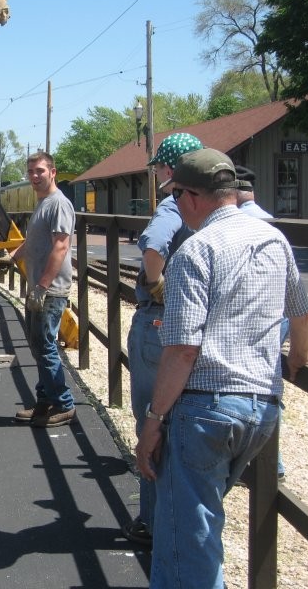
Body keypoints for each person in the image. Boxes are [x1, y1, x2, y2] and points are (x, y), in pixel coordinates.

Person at [135, 148, 308, 589]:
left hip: (205, 411)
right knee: (203, 520)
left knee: (187, 541)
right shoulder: (274, 241)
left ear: (192, 195)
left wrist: (153, 421)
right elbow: (301, 317)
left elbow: (183, 351)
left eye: (176, 197)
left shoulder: (196, 251)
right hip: (262, 409)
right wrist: (294, 361)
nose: (175, 206)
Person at [123, 132, 203, 546]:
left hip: (158, 327)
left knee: (151, 423)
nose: (156, 175)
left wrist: (156, 286)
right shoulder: (211, 209)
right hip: (194, 330)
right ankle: (181, 522)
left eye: (157, 168)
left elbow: (153, 247)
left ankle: (153, 522)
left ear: (170, 169)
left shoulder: (173, 205)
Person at [8, 152, 77, 427]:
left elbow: (60, 246)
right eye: (31, 172)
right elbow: (33, 240)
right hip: (39, 288)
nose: (34, 176)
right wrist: (12, 257)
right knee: (38, 346)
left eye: (39, 171)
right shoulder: (43, 204)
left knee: (46, 346)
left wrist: (42, 287)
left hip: (49, 290)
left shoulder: (59, 204)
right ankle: (45, 401)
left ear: (53, 172)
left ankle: (64, 404)